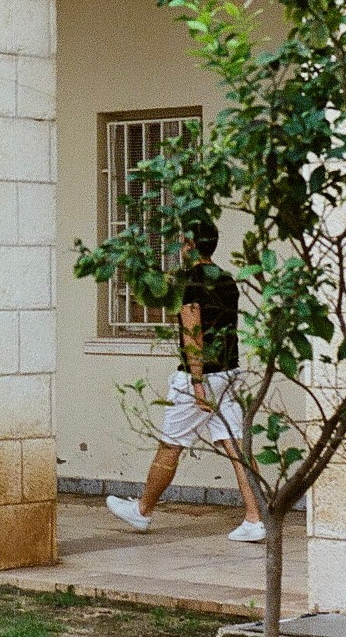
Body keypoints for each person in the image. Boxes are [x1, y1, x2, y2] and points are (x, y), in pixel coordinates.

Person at [106, 221, 266, 542]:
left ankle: (142, 511)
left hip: (199, 376)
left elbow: (193, 333)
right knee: (235, 446)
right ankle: (256, 517)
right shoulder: (227, 280)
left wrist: (196, 382)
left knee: (171, 443)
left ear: (189, 245)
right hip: (228, 372)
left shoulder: (188, 282)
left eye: (181, 242)